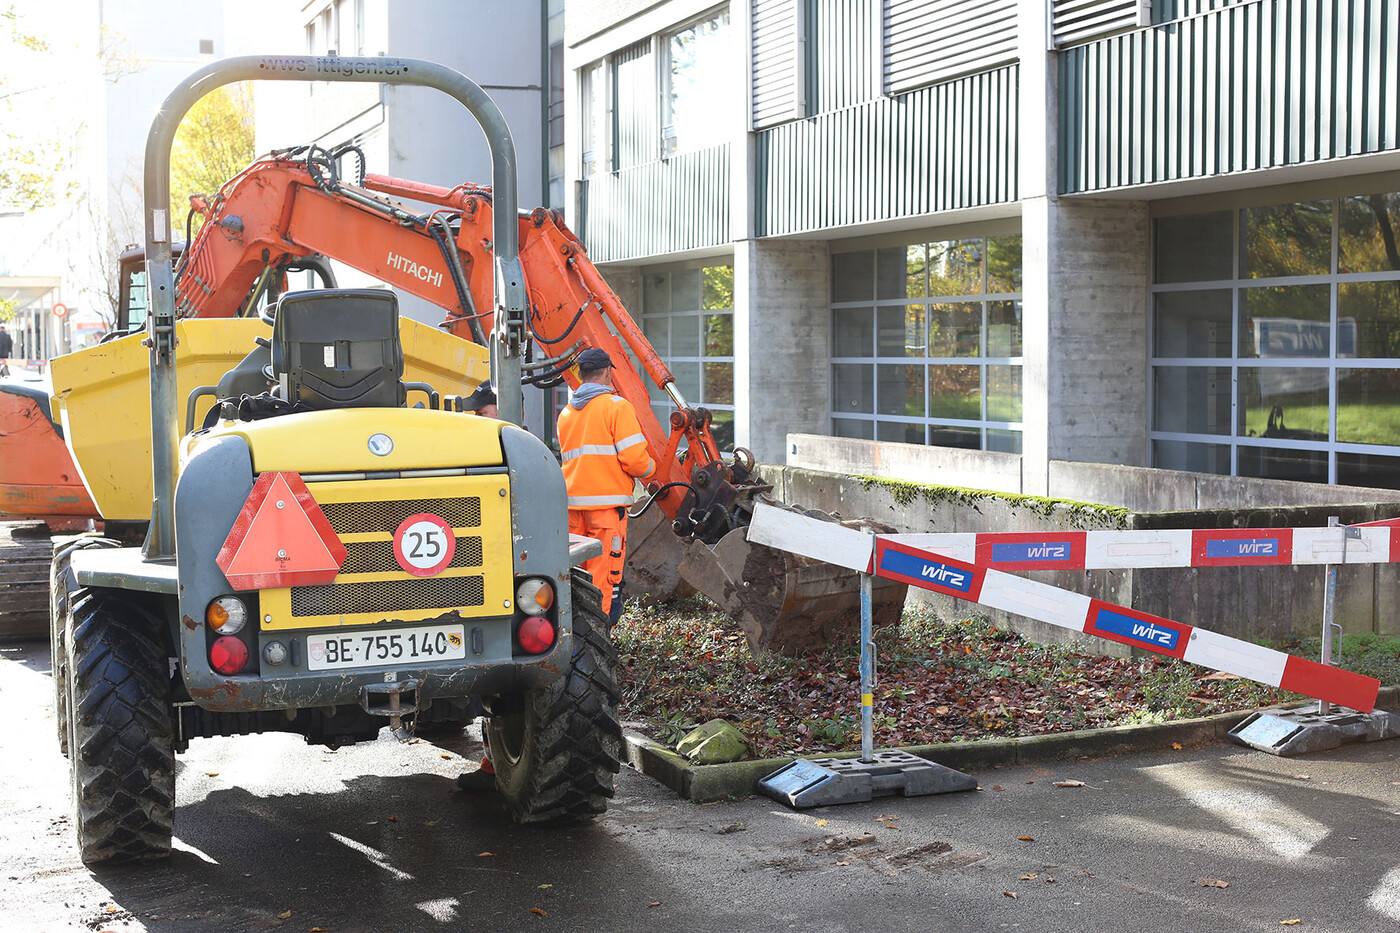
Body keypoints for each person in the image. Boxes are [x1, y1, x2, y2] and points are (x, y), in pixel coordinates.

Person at [555, 347, 654, 628]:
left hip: (572, 507)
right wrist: (652, 470)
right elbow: (635, 459)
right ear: (608, 372)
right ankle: (599, 638)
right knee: (604, 577)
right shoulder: (616, 407)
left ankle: (573, 635)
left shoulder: (566, 414)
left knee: (576, 575)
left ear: (581, 375)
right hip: (606, 509)